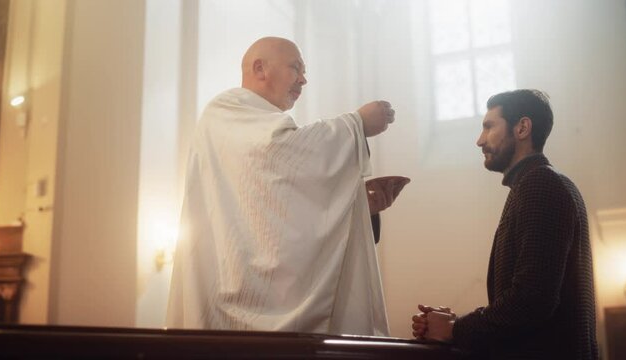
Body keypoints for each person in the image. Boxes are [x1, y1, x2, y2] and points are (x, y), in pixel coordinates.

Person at [166, 37, 406, 336]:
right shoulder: (227, 111)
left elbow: (279, 215)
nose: (304, 79)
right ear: (260, 68)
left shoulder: (264, 124)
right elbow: (279, 151)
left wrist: (359, 203)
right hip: (231, 305)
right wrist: (356, 124)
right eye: (296, 68)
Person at [412, 89, 598, 359]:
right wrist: (456, 323)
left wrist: (454, 328)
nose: (480, 140)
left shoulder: (540, 185)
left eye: (488, 127)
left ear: (522, 128)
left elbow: (531, 301)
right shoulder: (542, 184)